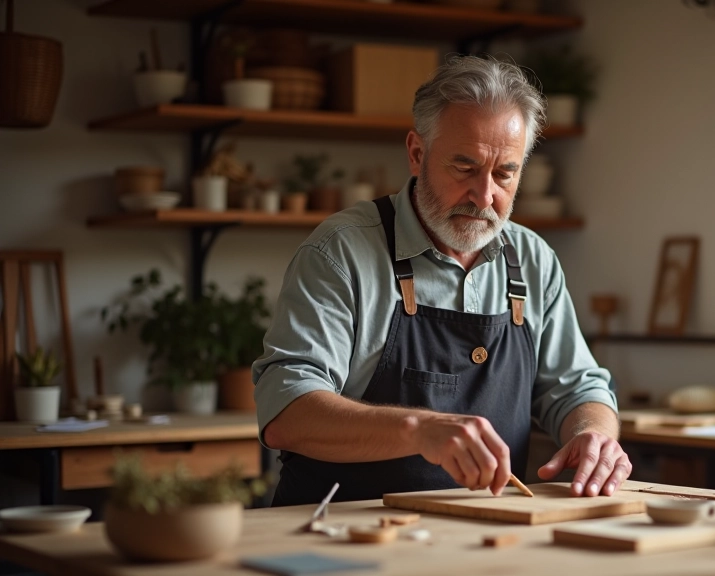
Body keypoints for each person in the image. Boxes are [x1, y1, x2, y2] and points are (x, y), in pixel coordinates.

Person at [254, 55, 630, 506]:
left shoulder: (533, 260)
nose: (484, 195)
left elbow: (578, 387)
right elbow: (286, 412)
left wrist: (594, 434)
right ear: (417, 153)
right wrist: (419, 429)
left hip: (483, 537)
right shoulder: (340, 252)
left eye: (505, 173)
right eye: (465, 168)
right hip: (344, 535)